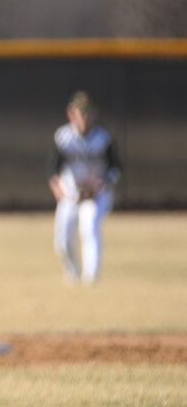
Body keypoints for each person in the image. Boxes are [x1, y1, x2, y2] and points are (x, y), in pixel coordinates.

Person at [47, 91, 121, 285]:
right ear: (71, 113)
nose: (85, 117)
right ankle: (73, 275)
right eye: (81, 112)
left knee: (90, 228)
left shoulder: (104, 138)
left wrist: (102, 184)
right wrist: (57, 187)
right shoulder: (63, 136)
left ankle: (91, 279)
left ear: (94, 114)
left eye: (88, 113)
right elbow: (52, 168)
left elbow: (116, 168)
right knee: (62, 241)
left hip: (97, 194)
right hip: (71, 193)